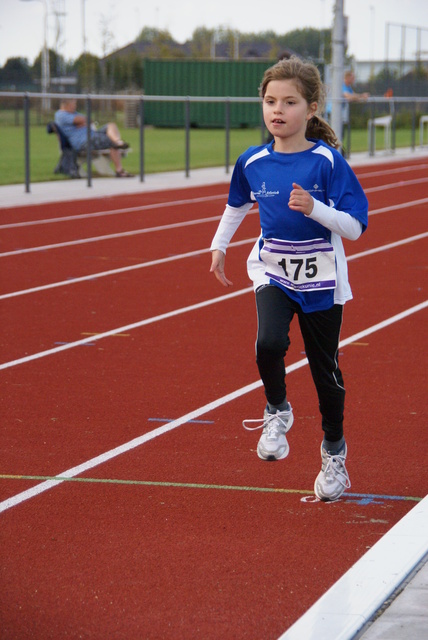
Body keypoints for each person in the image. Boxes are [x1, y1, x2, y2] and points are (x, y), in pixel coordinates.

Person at [210, 57, 368, 502]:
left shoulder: (327, 162)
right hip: (272, 270)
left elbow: (355, 227)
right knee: (268, 344)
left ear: (311, 108)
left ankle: (334, 452)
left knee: (325, 373)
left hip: (323, 281)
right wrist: (219, 245)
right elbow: (237, 205)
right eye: (269, 101)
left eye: (289, 102)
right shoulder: (252, 161)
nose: (277, 110)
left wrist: (314, 208)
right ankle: (277, 407)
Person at [54, 98, 133, 177]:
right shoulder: (61, 114)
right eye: (73, 104)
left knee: (111, 126)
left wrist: (81, 123)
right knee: (111, 142)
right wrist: (82, 122)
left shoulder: (74, 113)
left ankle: (118, 141)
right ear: (66, 105)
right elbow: (82, 119)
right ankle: (119, 170)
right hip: (83, 141)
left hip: (92, 135)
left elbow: (89, 120)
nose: (75, 106)